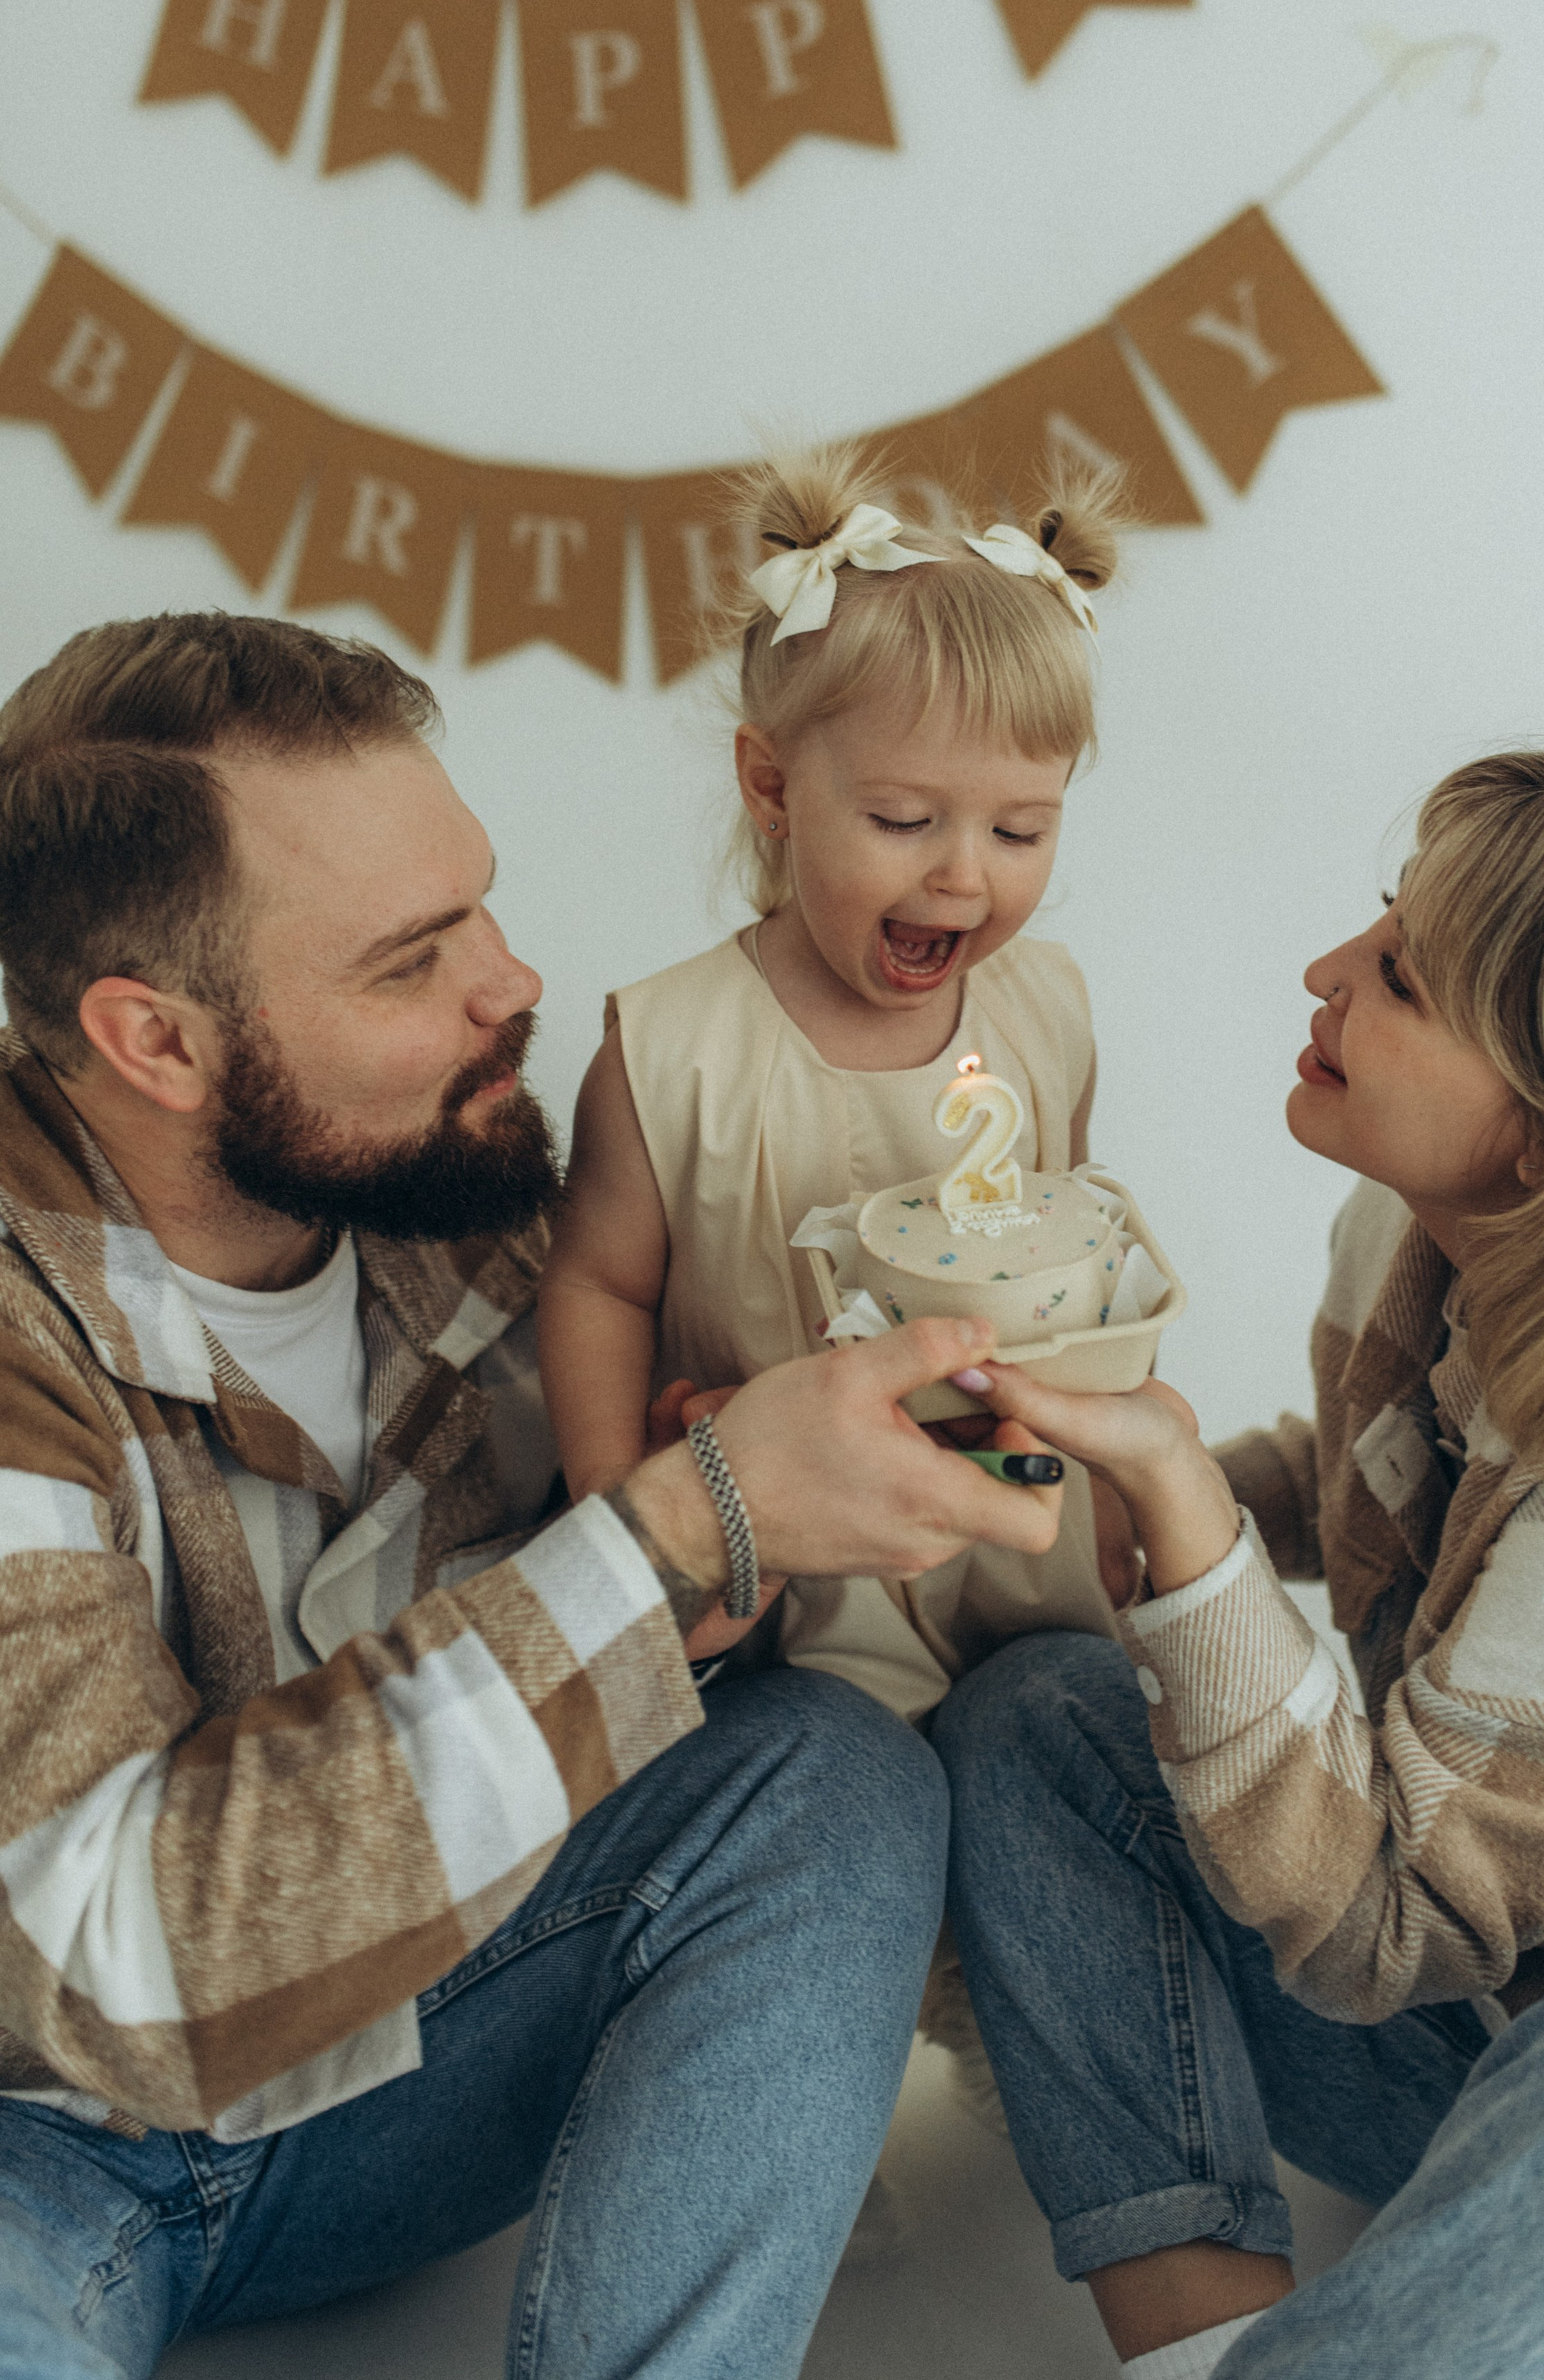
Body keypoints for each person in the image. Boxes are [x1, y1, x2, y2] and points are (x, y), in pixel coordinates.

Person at [0, 610, 1062, 2380]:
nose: (512, 982)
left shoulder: (462, 1196)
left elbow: (579, 1679)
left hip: (396, 2075)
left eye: (479, 904)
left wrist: (733, 1548)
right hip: (36, 2135)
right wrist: (657, 1540)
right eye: (412, 962)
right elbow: (101, 1970)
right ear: (156, 1042)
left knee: (829, 1770)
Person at [932, 750, 1544, 2380]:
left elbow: (1390, 1922)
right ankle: (1201, 2349)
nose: (1323, 974)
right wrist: (1158, 1476)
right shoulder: (1424, 1236)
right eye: (1375, 927)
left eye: (1400, 979)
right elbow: (1401, 1499)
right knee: (1043, 1718)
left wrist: (1185, 1525)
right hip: (1505, 2038)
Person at [538, 440, 1137, 1723]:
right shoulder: (673, 1048)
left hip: (1008, 1542)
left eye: (1021, 829)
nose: (964, 877)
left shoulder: (1049, 1010)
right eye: (905, 821)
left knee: (1055, 1728)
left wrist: (1126, 1490)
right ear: (772, 786)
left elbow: (1071, 1257)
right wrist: (622, 1525)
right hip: (781, 1574)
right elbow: (597, 1282)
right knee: (827, 1763)